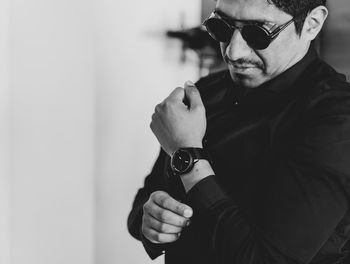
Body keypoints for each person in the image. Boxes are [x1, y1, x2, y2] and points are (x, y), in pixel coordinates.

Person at [127, 0, 350, 263]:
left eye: (258, 33)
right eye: (221, 26)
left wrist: (187, 154)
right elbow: (143, 204)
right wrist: (151, 220)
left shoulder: (337, 120)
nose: (233, 52)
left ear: (312, 23)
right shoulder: (206, 92)